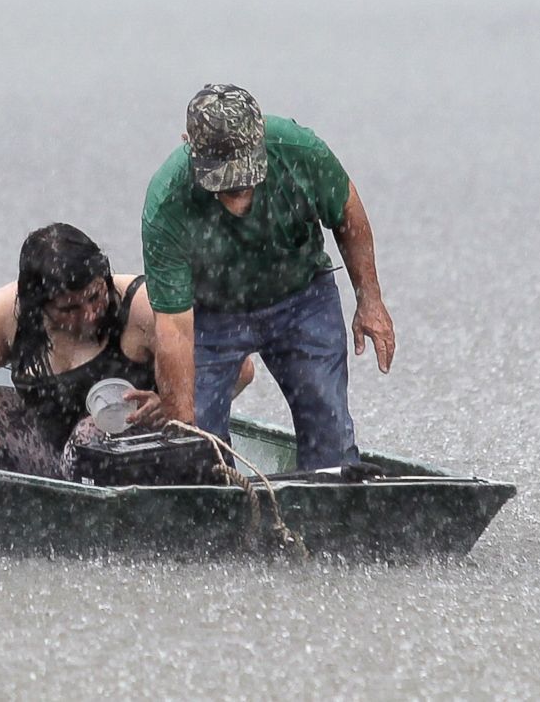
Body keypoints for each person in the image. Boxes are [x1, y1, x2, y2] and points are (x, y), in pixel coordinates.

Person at [140, 83, 395, 471]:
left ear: (260, 140)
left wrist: (370, 300)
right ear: (188, 146)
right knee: (197, 438)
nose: (237, 197)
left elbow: (348, 212)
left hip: (302, 298)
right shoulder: (167, 203)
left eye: (244, 182)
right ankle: (213, 501)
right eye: (223, 185)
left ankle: (331, 499)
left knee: (325, 416)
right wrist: (182, 422)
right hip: (212, 314)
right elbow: (174, 329)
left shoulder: (300, 151)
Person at [0, 223, 253, 480]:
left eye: (94, 297)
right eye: (69, 308)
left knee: (91, 435)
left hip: (152, 457)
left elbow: (239, 367)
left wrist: (176, 403)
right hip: (55, 458)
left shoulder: (145, 308)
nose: (88, 315)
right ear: (40, 306)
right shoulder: (12, 313)